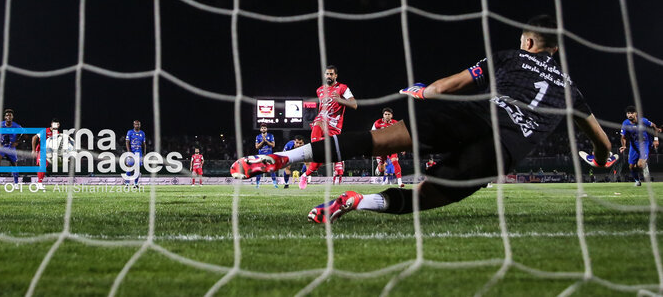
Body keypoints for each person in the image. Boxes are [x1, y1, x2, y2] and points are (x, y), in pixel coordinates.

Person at [230, 15, 615, 224]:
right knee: (424, 198)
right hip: (503, 149)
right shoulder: (572, 92)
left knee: (374, 141)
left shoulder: (510, 57)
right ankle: (356, 201)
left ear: (529, 43)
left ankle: (286, 158)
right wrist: (598, 159)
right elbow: (602, 142)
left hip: (474, 115)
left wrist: (422, 90)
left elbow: (451, 85)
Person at [299, 65, 357, 189]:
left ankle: (305, 175)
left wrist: (340, 100)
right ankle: (337, 163)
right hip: (321, 121)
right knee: (317, 147)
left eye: (331, 74)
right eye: (327, 74)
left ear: (336, 75)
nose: (329, 76)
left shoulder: (342, 88)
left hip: (335, 126)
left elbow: (354, 104)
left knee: (324, 156)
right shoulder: (319, 90)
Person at [619, 105, 659, 186]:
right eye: (628, 113)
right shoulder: (625, 123)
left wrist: (656, 139)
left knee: (640, 164)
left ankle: (644, 165)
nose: (630, 115)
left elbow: (654, 127)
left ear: (636, 113)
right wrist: (624, 145)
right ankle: (637, 181)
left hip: (644, 144)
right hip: (633, 146)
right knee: (631, 166)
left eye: (632, 113)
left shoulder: (643, 121)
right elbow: (623, 137)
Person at [372, 108, 404, 187]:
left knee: (395, 161)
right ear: (383, 115)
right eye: (385, 114)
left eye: (388, 114)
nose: (387, 116)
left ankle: (400, 182)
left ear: (391, 115)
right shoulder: (377, 123)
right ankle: (379, 165)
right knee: (381, 168)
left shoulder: (396, 123)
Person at [0, 109, 23, 187]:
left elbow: (23, 132)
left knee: (14, 165)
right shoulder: (0, 124)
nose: (8, 116)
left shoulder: (16, 125)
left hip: (11, 147)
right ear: (5, 117)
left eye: (10, 115)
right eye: (7, 115)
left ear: (12, 117)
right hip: (1, 146)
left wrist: (17, 141)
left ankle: (16, 183)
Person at [30, 118, 62, 190]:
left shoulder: (57, 133)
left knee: (43, 167)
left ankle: (39, 183)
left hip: (49, 153)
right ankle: (39, 183)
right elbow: (34, 138)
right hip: (42, 151)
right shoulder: (45, 131)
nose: (56, 125)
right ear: (51, 124)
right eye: (55, 123)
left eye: (58, 124)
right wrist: (33, 150)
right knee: (42, 166)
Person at [125, 120, 146, 187]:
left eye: (138, 124)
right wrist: (129, 152)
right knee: (129, 167)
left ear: (140, 125)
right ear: (134, 125)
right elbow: (127, 142)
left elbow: (144, 144)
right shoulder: (130, 132)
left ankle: (136, 183)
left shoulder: (142, 133)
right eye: (136, 124)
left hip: (139, 152)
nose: (137, 126)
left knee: (137, 168)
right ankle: (127, 183)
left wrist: (144, 153)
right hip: (132, 151)